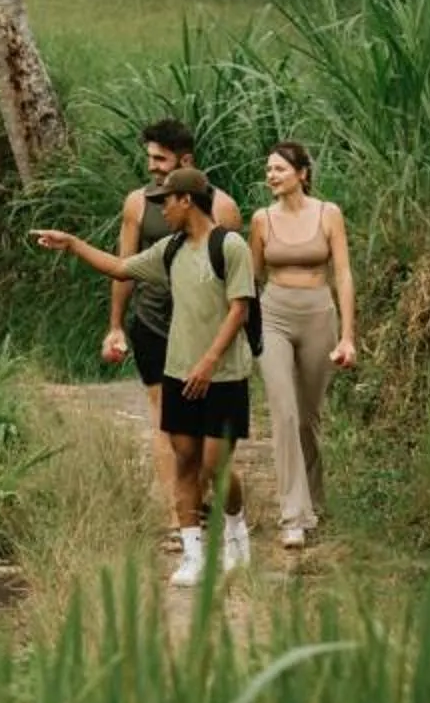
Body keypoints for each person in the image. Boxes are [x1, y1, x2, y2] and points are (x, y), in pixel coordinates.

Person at [36, 166, 255, 587]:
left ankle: (235, 532)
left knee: (215, 465)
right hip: (178, 372)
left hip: (224, 374)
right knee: (185, 459)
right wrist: (73, 244)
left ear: (187, 200)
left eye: (166, 202)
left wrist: (209, 361)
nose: (161, 211)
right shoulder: (170, 249)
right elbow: (121, 268)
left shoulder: (229, 246)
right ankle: (193, 554)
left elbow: (239, 309)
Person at [103, 119, 248, 568]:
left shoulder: (223, 208)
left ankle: (210, 506)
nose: (151, 167)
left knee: (206, 447)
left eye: (160, 159)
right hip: (152, 323)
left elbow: (233, 285)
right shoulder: (137, 203)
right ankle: (179, 520)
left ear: (185, 161)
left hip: (201, 329)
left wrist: (225, 348)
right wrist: (115, 325)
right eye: (149, 158)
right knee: (166, 424)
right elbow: (124, 266)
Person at [249, 141, 356, 548]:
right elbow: (252, 278)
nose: (271, 176)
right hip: (273, 314)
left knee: (309, 416)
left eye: (279, 169)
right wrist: (244, 328)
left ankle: (314, 498)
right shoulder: (261, 220)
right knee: (284, 411)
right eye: (268, 170)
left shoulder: (329, 214)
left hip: (318, 314)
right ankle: (293, 514)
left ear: (302, 174)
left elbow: (342, 275)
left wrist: (348, 336)